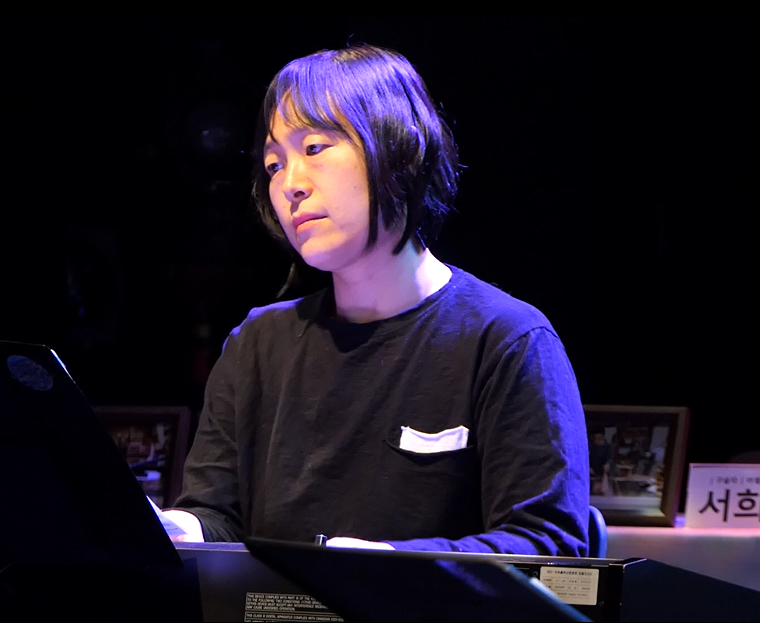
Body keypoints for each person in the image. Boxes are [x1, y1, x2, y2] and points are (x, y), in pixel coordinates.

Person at [162, 43, 590, 556]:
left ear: (399, 150)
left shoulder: (506, 341)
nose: (290, 184)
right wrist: (172, 529)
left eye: (314, 148)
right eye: (274, 165)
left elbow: (548, 545)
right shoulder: (255, 344)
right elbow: (216, 519)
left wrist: (386, 566)